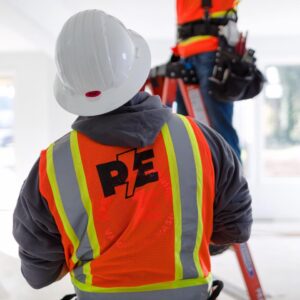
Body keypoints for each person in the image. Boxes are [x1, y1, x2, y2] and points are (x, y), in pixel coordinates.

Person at [13, 9, 252, 300]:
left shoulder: (51, 169)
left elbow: (38, 273)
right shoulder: (200, 140)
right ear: (138, 77)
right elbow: (236, 228)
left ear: (70, 89)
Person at [174, 0, 241, 158]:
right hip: (185, 53)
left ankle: (233, 180)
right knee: (185, 128)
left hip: (213, 50)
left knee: (219, 126)